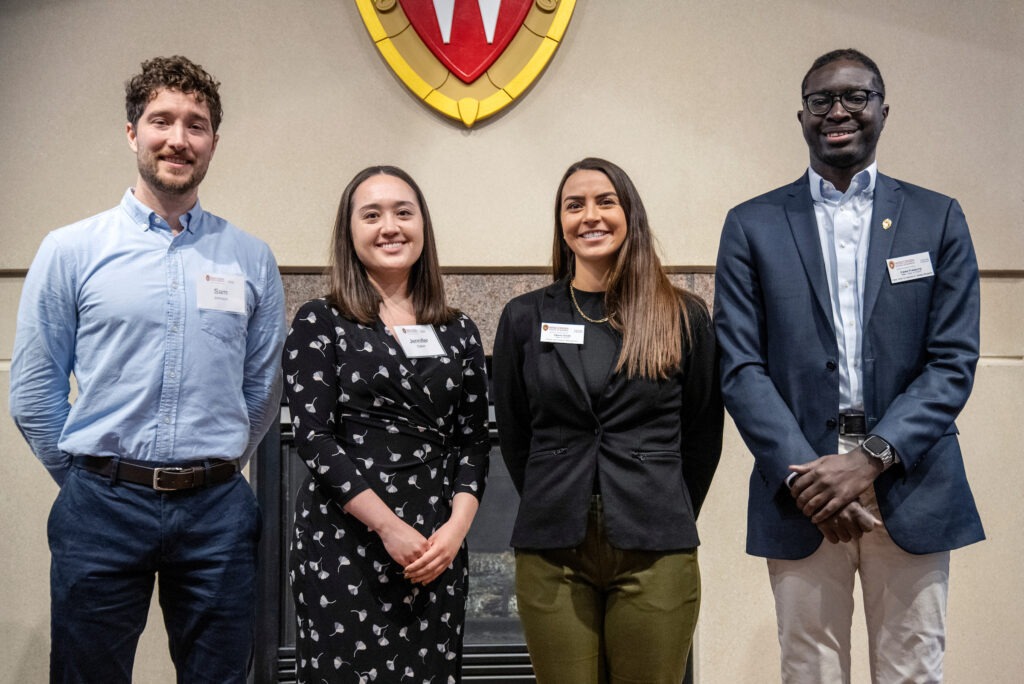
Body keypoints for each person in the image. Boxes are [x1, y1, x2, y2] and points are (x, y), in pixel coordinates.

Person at [9, 56, 286, 682]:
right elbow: (33, 392)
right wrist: (93, 477)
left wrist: (215, 466)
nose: (178, 139)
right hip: (101, 508)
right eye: (162, 120)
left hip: (217, 511)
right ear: (132, 132)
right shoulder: (70, 250)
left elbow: (262, 388)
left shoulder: (250, 257)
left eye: (197, 124)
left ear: (213, 140)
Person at [714, 49, 984, 683]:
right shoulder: (751, 225)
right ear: (801, 116)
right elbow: (740, 367)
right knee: (809, 672)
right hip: (799, 489)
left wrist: (869, 458)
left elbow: (952, 362)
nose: (838, 112)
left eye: (855, 97)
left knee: (912, 671)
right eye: (820, 101)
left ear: (883, 110)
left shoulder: (937, 217)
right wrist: (810, 477)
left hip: (911, 481)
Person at [492, 157, 722, 683]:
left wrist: (663, 499)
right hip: (554, 547)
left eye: (605, 202)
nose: (589, 216)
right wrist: (556, 490)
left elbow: (704, 430)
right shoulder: (525, 317)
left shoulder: (681, 315)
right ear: (561, 223)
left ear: (629, 215)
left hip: (654, 543)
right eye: (574, 205)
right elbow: (514, 431)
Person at [281, 165, 490, 683]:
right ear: (350, 233)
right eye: (371, 215)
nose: (389, 226)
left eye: (403, 212)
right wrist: (389, 528)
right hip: (346, 544)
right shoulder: (320, 320)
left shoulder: (458, 329)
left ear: (424, 226)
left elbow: (474, 441)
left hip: (435, 548)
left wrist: (455, 533)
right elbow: (313, 437)